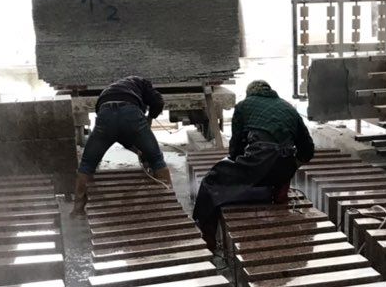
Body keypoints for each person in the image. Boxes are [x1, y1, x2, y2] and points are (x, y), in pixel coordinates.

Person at [192, 79, 314, 249]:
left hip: (258, 161)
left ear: (250, 93)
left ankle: (207, 237)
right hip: (284, 167)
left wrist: (238, 169)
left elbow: (235, 148)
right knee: (272, 170)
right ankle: (280, 186)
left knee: (210, 182)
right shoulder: (289, 108)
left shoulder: (244, 106)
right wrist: (292, 167)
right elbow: (308, 150)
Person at [72, 75, 172, 214]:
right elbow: (158, 102)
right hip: (130, 112)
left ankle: (77, 209)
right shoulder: (142, 82)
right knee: (157, 160)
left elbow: (118, 133)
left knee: (87, 164)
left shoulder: (110, 89)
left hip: (105, 114)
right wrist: (149, 119)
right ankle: (169, 202)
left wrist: (138, 150)